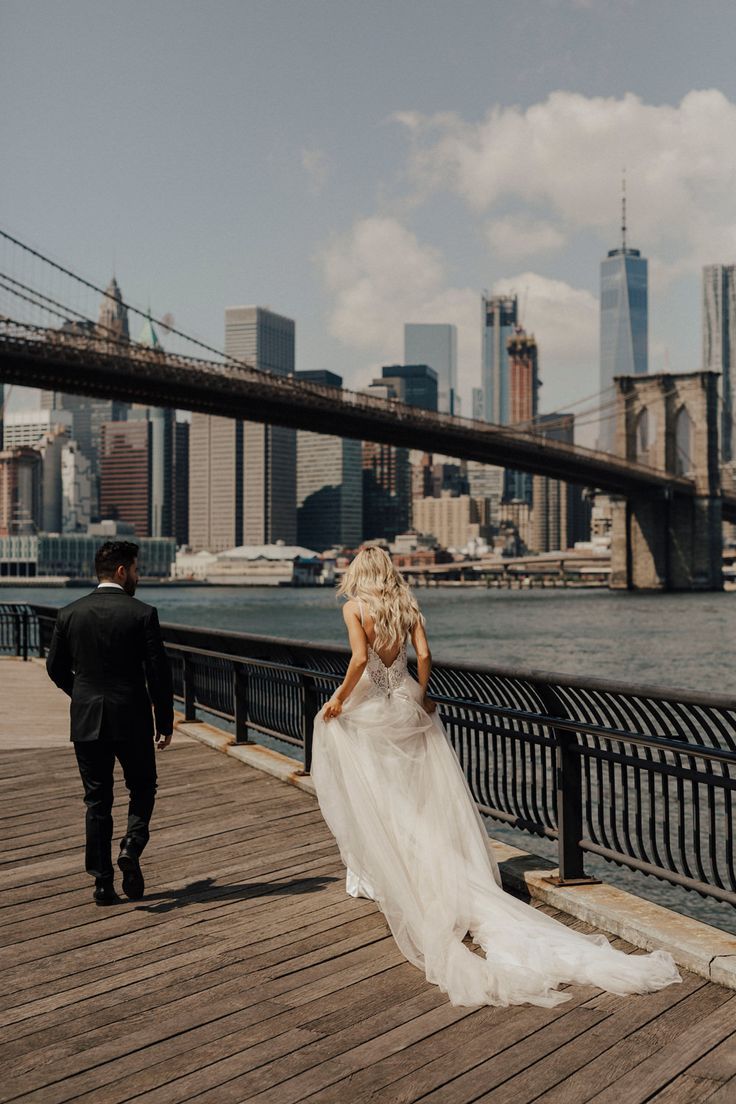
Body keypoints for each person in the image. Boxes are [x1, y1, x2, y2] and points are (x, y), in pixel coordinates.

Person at [312, 545, 681, 1008]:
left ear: (357, 574)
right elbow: (423, 655)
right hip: (408, 707)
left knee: (382, 795)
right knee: (418, 796)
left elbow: (360, 661)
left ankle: (383, 874)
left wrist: (339, 700)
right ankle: (426, 869)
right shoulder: (406, 606)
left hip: (372, 709)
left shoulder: (355, 608)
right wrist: (423, 697)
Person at [46, 540, 174, 905]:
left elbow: (55, 668)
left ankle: (102, 884)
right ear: (122, 571)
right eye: (135, 568)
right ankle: (131, 848)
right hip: (131, 717)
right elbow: (158, 675)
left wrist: (82, 695)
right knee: (143, 787)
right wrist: (163, 721)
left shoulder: (70, 613)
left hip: (87, 721)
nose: (138, 575)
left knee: (97, 801)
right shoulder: (142, 613)